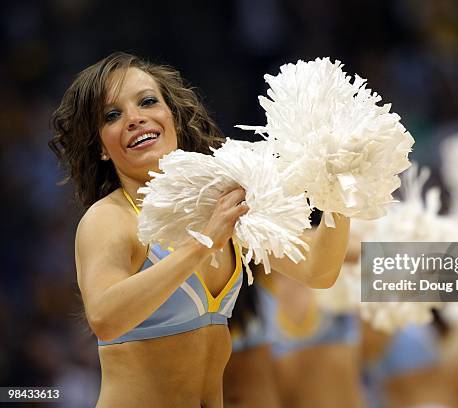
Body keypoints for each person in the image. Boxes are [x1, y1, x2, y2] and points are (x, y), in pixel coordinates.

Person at [49, 52, 350, 407]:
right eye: (112, 116)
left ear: (172, 116)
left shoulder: (220, 201)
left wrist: (340, 191)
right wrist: (204, 242)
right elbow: (105, 319)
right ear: (101, 146)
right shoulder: (109, 219)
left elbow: (318, 270)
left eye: (147, 102)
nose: (134, 118)